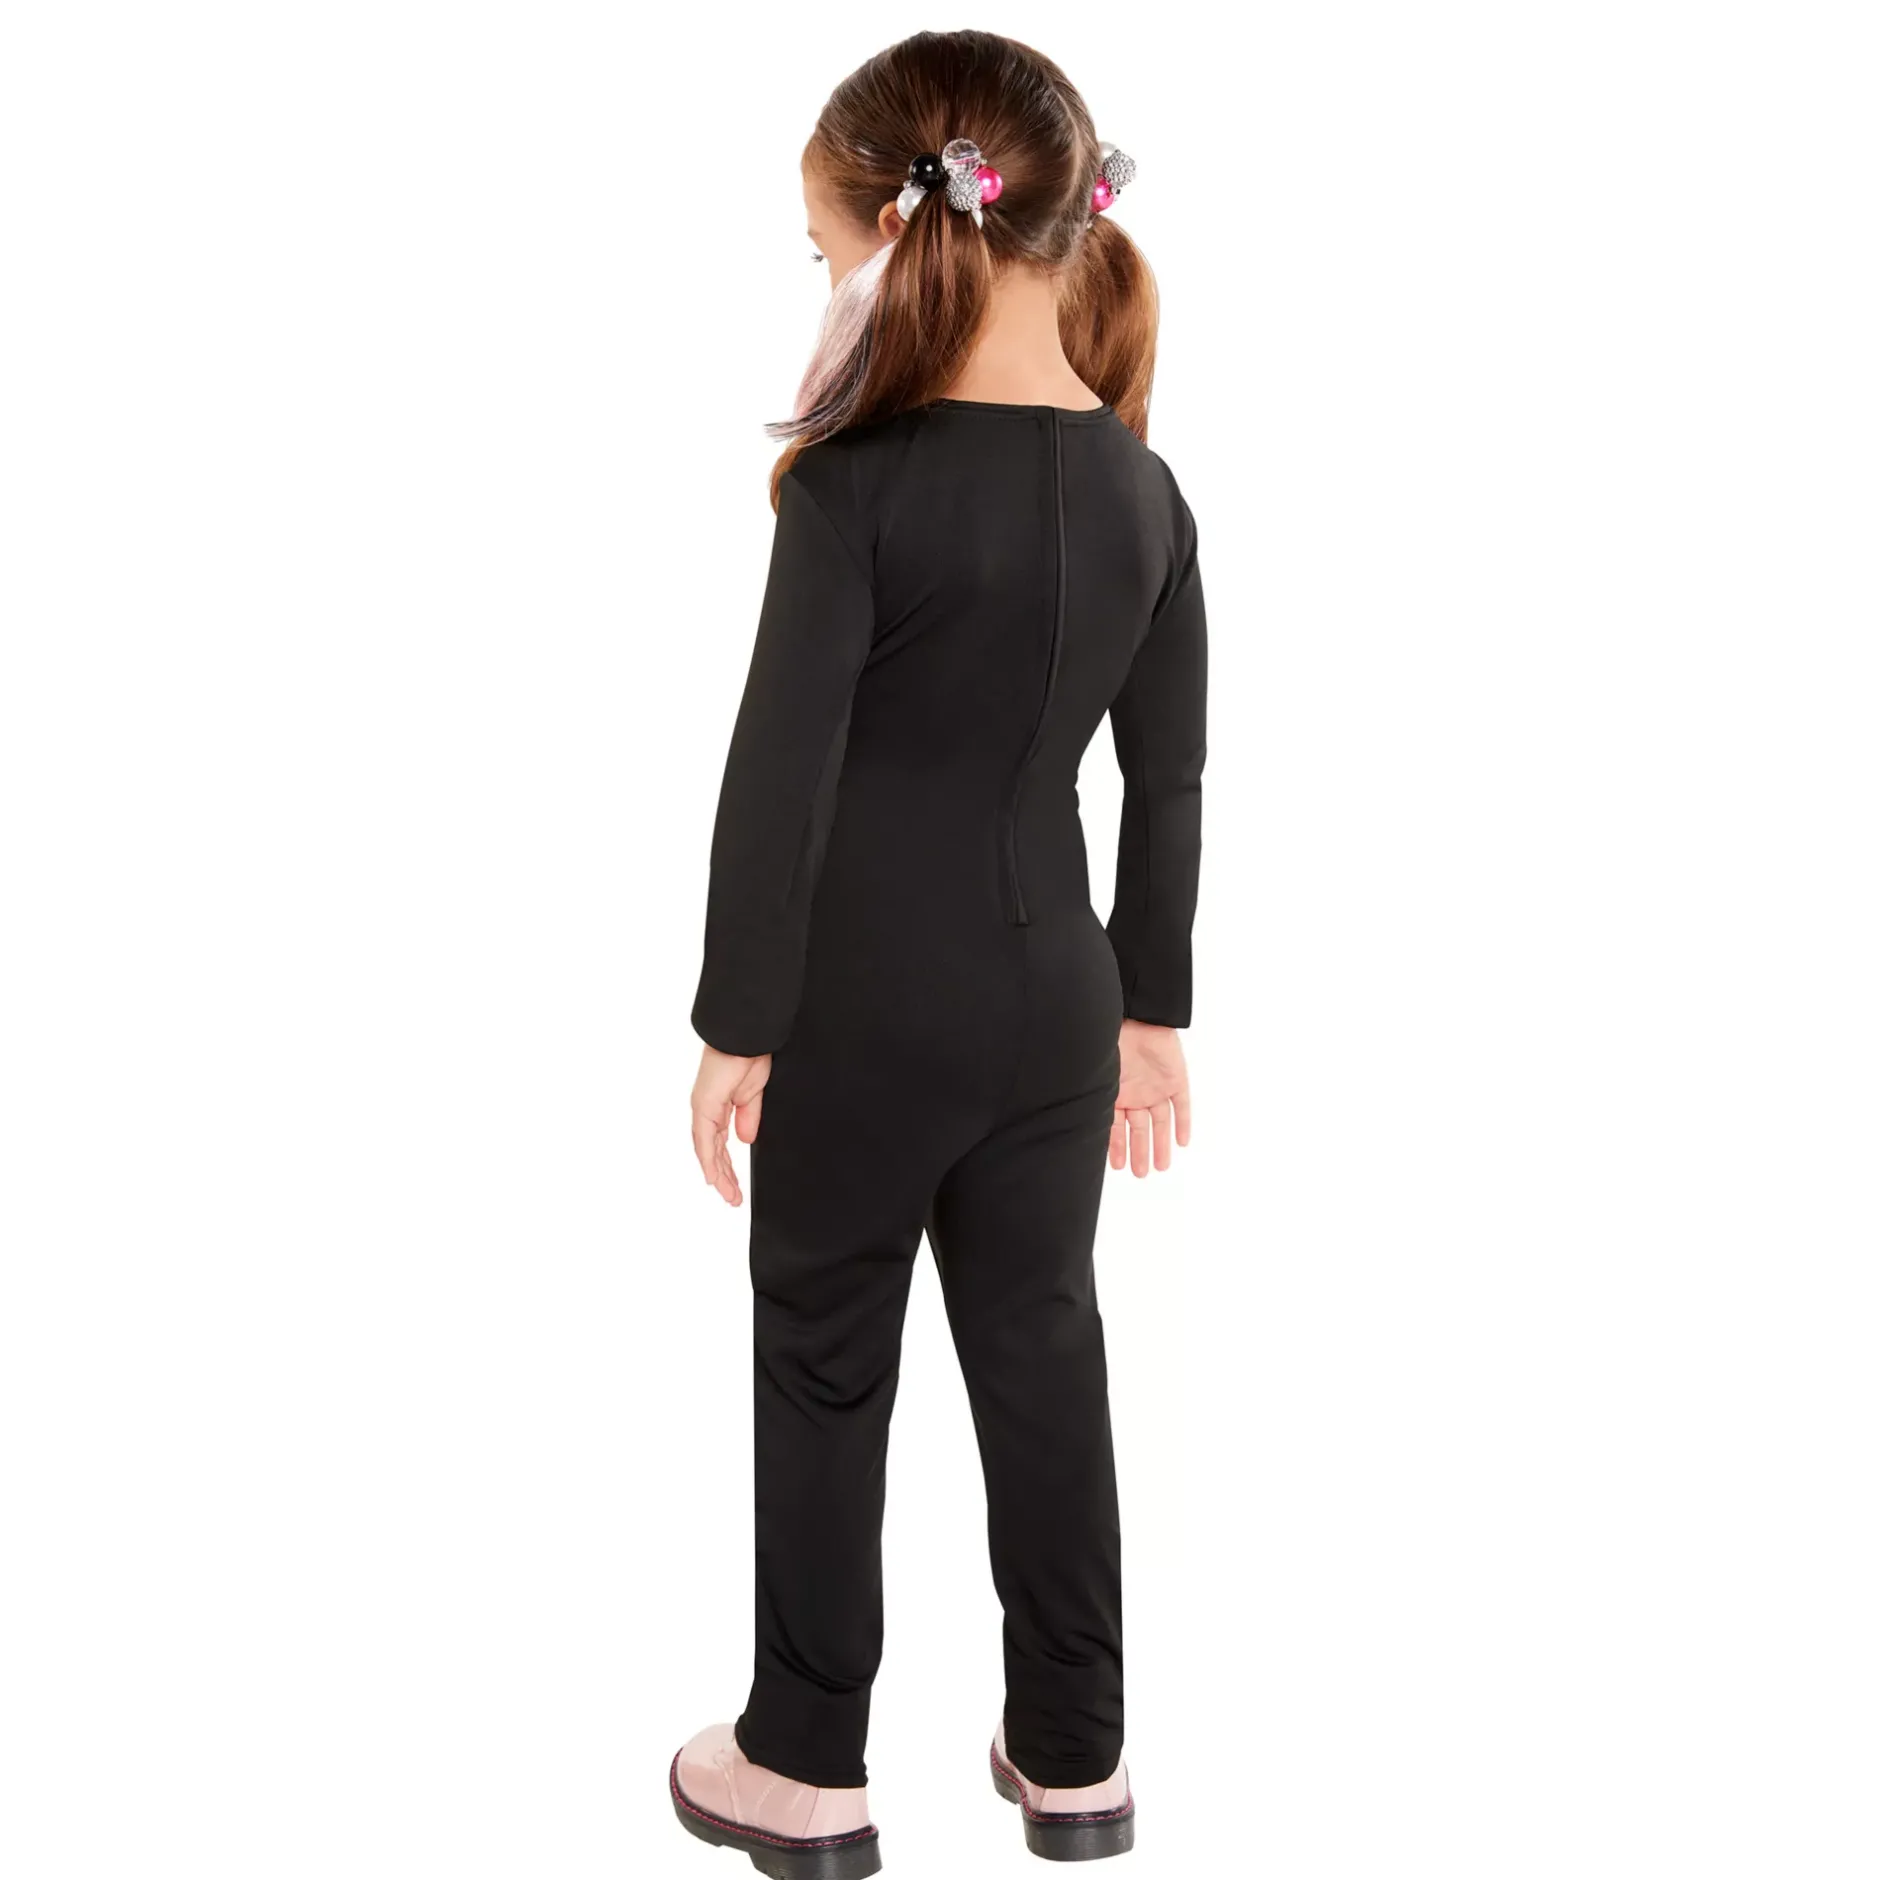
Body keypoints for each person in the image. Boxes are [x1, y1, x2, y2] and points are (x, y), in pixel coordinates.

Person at [670, 30, 1205, 1875]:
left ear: (903, 237)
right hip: (1056, 1003)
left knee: (827, 1356)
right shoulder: (1146, 494)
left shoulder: (855, 487)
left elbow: (779, 772)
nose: (826, 292)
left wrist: (738, 1020)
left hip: (864, 1006)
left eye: (825, 257)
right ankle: (1077, 1751)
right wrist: (1152, 1012)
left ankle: (804, 1760)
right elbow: (1166, 778)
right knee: (1043, 1345)